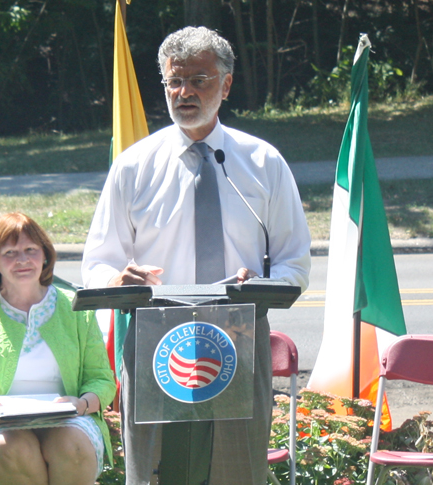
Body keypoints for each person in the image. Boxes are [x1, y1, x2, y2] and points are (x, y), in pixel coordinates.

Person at [82, 26, 311, 485]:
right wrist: (118, 281)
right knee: (156, 475)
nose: (184, 92)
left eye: (199, 80)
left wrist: (259, 287)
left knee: (236, 475)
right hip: (155, 342)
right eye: (174, 81)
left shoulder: (263, 163)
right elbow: (96, 264)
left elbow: (295, 265)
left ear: (226, 85)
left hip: (238, 339)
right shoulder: (133, 166)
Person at [0, 212, 116, 485]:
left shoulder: (76, 308)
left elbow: (101, 379)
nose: (22, 260)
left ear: (45, 256)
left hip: (68, 420)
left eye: (30, 249)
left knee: (73, 447)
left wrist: (81, 404)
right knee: (14, 450)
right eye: (9, 252)